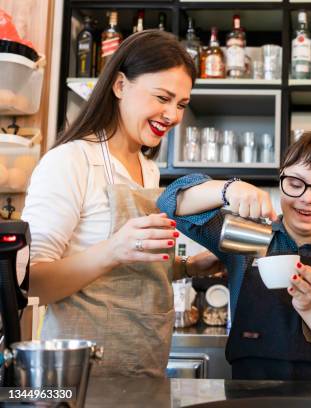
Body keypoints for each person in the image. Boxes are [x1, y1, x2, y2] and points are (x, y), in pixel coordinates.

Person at [22, 30, 219, 378]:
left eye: (182, 104)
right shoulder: (70, 161)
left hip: (143, 366)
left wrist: (190, 265)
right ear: (120, 85)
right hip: (79, 375)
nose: (173, 115)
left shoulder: (148, 169)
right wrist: (113, 249)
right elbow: (32, 280)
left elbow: (134, 269)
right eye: (162, 97)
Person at [157, 132, 311, 380]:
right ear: (280, 181)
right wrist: (228, 188)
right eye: (296, 185)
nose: (307, 199)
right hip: (245, 398)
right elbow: (169, 202)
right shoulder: (243, 238)